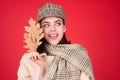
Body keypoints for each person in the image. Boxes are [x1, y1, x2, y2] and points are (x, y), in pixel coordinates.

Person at [17, 3, 95, 80]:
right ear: (40, 29)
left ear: (64, 27)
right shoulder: (29, 59)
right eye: (46, 25)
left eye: (57, 23)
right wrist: (38, 72)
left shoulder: (79, 56)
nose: (53, 29)